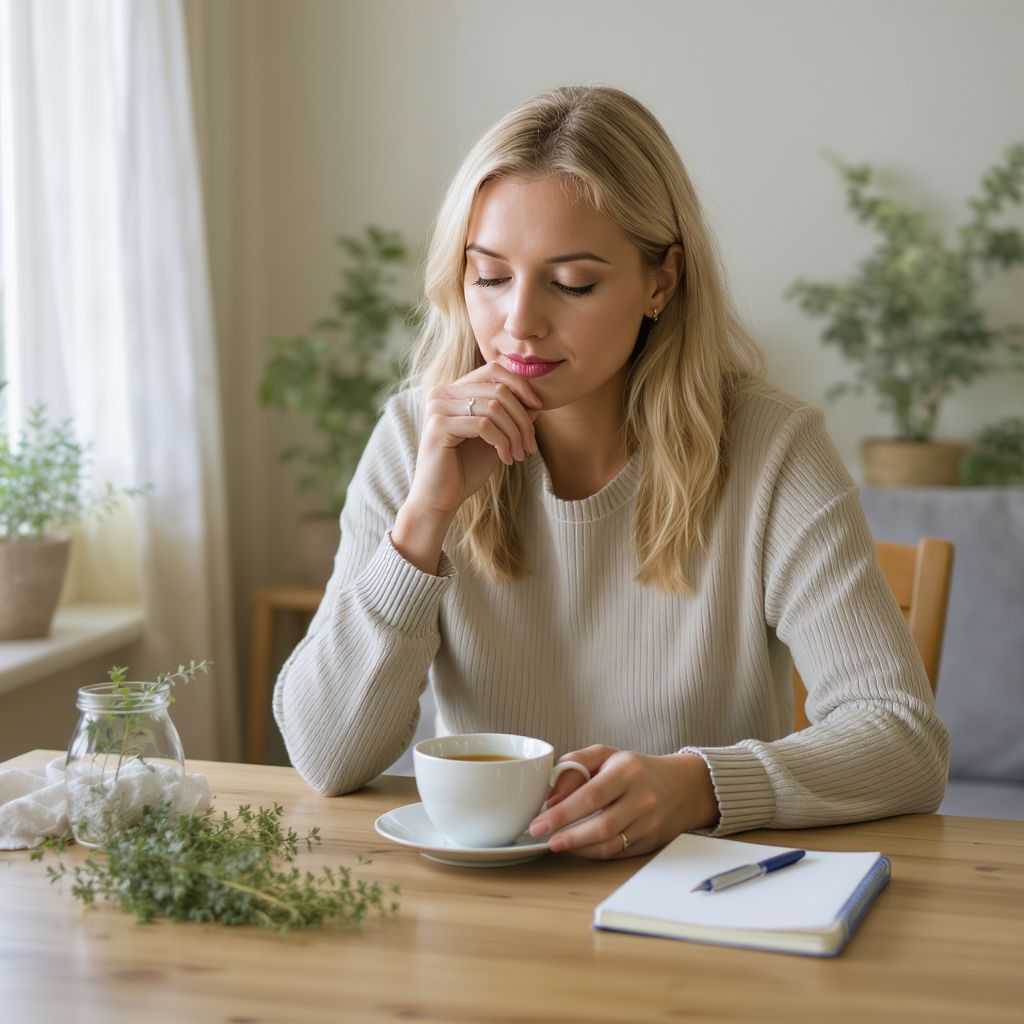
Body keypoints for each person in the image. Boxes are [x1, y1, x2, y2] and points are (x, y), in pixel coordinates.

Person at [273, 85, 949, 859]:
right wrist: (424, 520)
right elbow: (326, 758)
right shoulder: (413, 439)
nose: (518, 323)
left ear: (662, 282)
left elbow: (904, 740)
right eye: (489, 276)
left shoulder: (774, 449)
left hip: (701, 912)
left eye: (572, 283)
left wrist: (697, 786)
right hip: (488, 923)